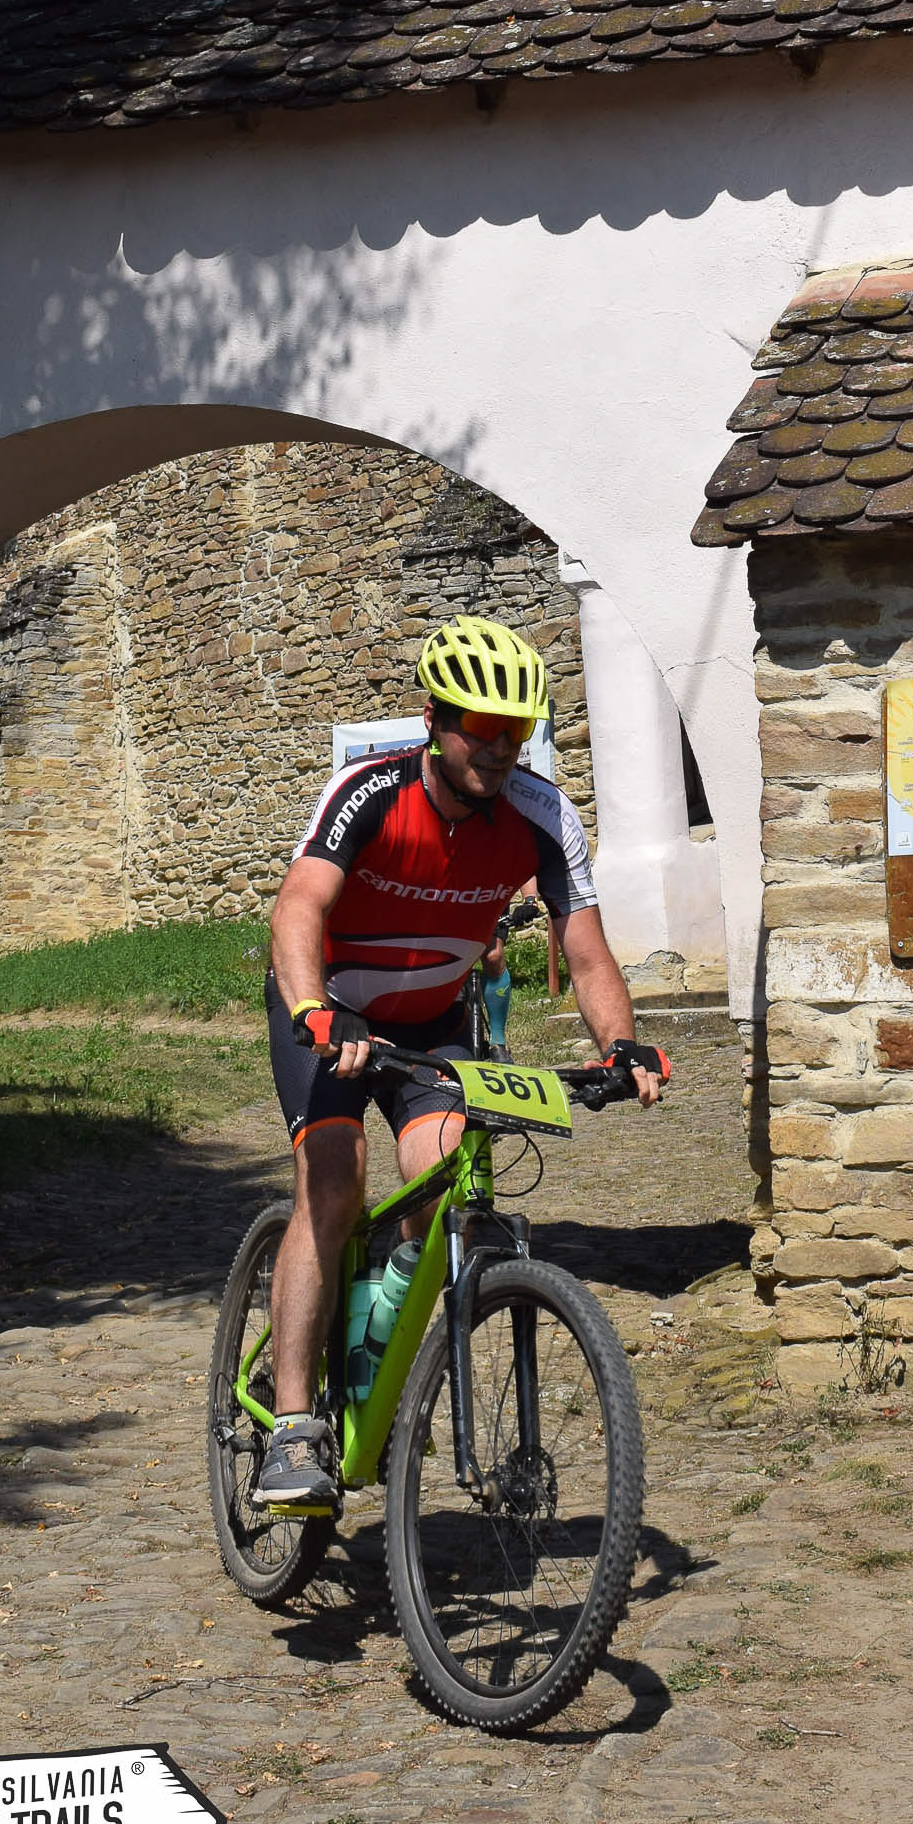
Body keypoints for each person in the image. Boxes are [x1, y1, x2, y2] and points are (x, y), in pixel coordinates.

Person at [256, 614, 664, 1509]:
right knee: (335, 1181)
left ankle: (375, 1336)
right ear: (434, 722)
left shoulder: (543, 817)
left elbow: (585, 948)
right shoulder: (370, 793)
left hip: (433, 1021)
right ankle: (289, 1428)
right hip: (331, 1010)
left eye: (515, 731)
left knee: (441, 1181)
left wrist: (621, 1046)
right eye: (481, 728)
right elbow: (297, 908)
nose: (499, 748)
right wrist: (314, 1008)